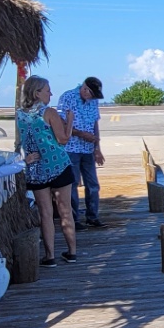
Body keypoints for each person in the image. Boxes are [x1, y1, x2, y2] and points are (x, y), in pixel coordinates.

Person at [16, 76, 77, 263]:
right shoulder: (48, 112)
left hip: (36, 170)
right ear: (37, 93)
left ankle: (49, 256)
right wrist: (70, 121)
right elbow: (63, 139)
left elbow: (21, 141)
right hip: (58, 165)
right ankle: (72, 252)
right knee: (65, 210)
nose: (51, 93)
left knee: (45, 213)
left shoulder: (19, 114)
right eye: (47, 90)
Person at [57, 76, 106, 226]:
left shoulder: (93, 101)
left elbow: (94, 124)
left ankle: (92, 216)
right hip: (71, 148)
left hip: (88, 150)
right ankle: (74, 219)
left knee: (92, 184)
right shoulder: (67, 97)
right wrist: (81, 134)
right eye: (90, 94)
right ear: (84, 89)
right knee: (72, 184)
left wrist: (97, 148)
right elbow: (61, 123)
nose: (91, 97)